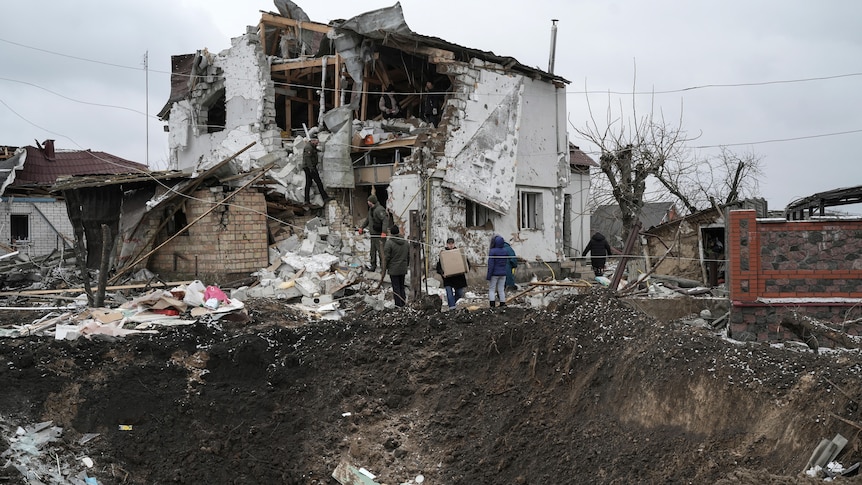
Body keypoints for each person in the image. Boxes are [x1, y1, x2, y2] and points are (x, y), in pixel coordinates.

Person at [436, 237, 469, 310]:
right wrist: (442, 273)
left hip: (458, 278)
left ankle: (451, 302)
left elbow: (466, 263)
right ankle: (452, 309)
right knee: (449, 293)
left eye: (452, 243)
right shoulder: (443, 254)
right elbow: (439, 267)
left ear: (454, 244)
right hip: (448, 279)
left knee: (459, 293)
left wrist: (465, 269)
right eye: (449, 244)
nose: (451, 245)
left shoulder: (459, 253)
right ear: (447, 244)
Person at [360, 194, 388, 272]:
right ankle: (373, 266)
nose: (368, 203)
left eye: (369, 201)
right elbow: (367, 220)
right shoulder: (371, 210)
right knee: (372, 252)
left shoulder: (379, 210)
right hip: (373, 235)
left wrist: (384, 232)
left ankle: (383, 268)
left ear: (372, 202)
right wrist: (362, 227)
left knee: (381, 252)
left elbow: (385, 220)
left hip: (379, 235)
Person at [384, 225, 409, 307]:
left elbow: (386, 257)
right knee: (402, 286)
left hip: (393, 269)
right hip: (403, 268)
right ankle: (403, 302)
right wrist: (406, 265)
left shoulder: (389, 243)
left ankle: (398, 304)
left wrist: (385, 267)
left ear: (391, 233)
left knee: (396, 287)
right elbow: (408, 256)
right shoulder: (405, 242)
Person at [301, 136, 330, 205]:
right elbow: (308, 159)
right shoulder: (308, 147)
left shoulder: (311, 146)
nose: (318, 143)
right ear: (312, 140)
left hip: (308, 167)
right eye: (317, 141)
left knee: (308, 183)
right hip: (310, 168)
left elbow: (314, 150)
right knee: (319, 182)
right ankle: (325, 197)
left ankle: (306, 200)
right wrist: (311, 168)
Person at [487, 235, 509, 307]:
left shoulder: (492, 251)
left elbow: (491, 265)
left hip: (494, 273)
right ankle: (502, 303)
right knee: (501, 289)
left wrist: (489, 275)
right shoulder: (505, 251)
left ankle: (492, 304)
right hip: (503, 273)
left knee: (492, 289)